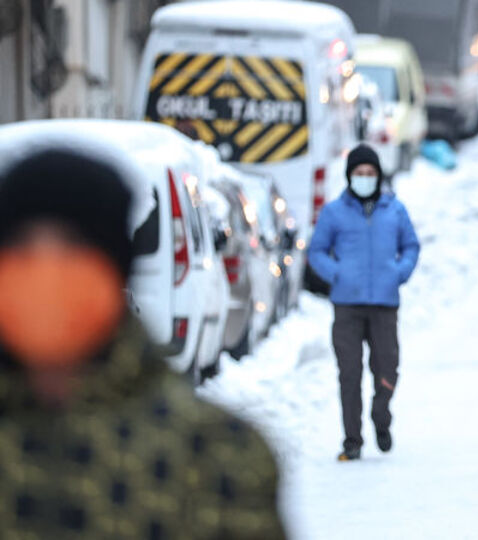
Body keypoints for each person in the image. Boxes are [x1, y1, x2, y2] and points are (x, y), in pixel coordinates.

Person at [0, 149, 285, 539]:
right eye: (23, 248)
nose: (47, 271)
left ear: (115, 266)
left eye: (73, 247)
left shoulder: (214, 456)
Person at [308, 143, 420, 462]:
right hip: (347, 305)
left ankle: (380, 416)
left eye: (371, 173)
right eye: (359, 173)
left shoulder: (394, 210)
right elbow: (316, 251)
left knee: (387, 367)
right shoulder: (333, 212)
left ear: (378, 176)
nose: (365, 178)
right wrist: (337, 273)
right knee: (349, 373)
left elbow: (411, 246)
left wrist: (398, 273)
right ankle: (352, 440)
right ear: (349, 176)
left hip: (385, 304)